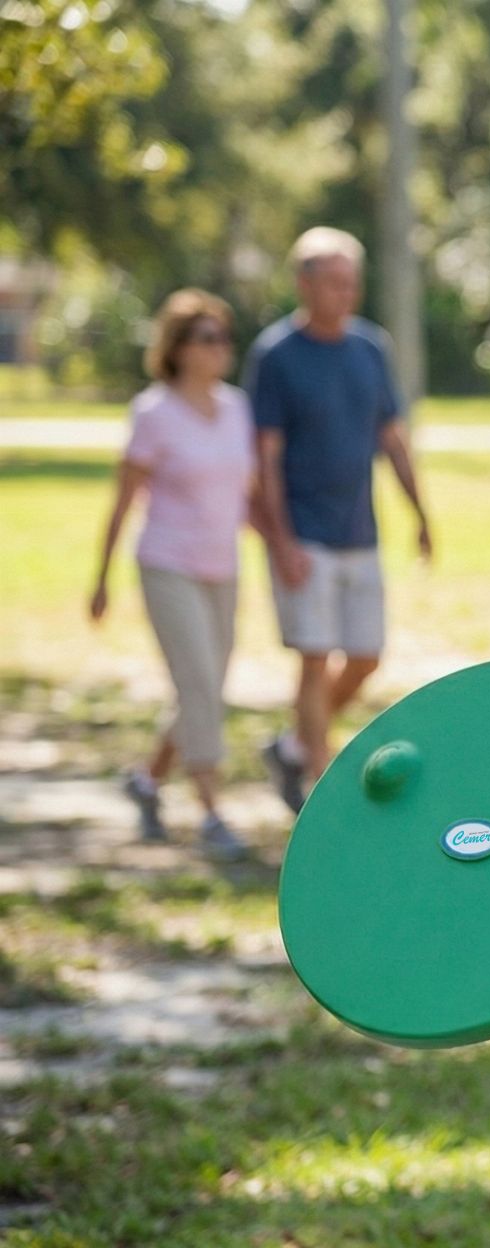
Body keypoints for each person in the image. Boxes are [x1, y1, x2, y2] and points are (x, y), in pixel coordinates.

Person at [246, 228, 432, 814]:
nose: (346, 293)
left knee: (366, 655)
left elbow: (391, 437)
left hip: (360, 531)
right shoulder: (276, 355)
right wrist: (280, 542)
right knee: (313, 654)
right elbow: (265, 459)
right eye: (334, 282)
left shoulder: (370, 348)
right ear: (304, 284)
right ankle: (317, 786)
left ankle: (294, 746)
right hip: (304, 533)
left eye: (352, 282)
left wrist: (419, 510)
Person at [88, 289, 253, 859]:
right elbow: (122, 499)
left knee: (203, 689)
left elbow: (245, 494)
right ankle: (211, 812)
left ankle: (146, 781)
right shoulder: (153, 412)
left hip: (223, 567)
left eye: (225, 337)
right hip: (167, 564)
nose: (220, 348)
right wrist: (101, 577)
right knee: (200, 686)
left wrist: (280, 546)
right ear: (178, 348)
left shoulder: (237, 408)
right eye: (207, 338)